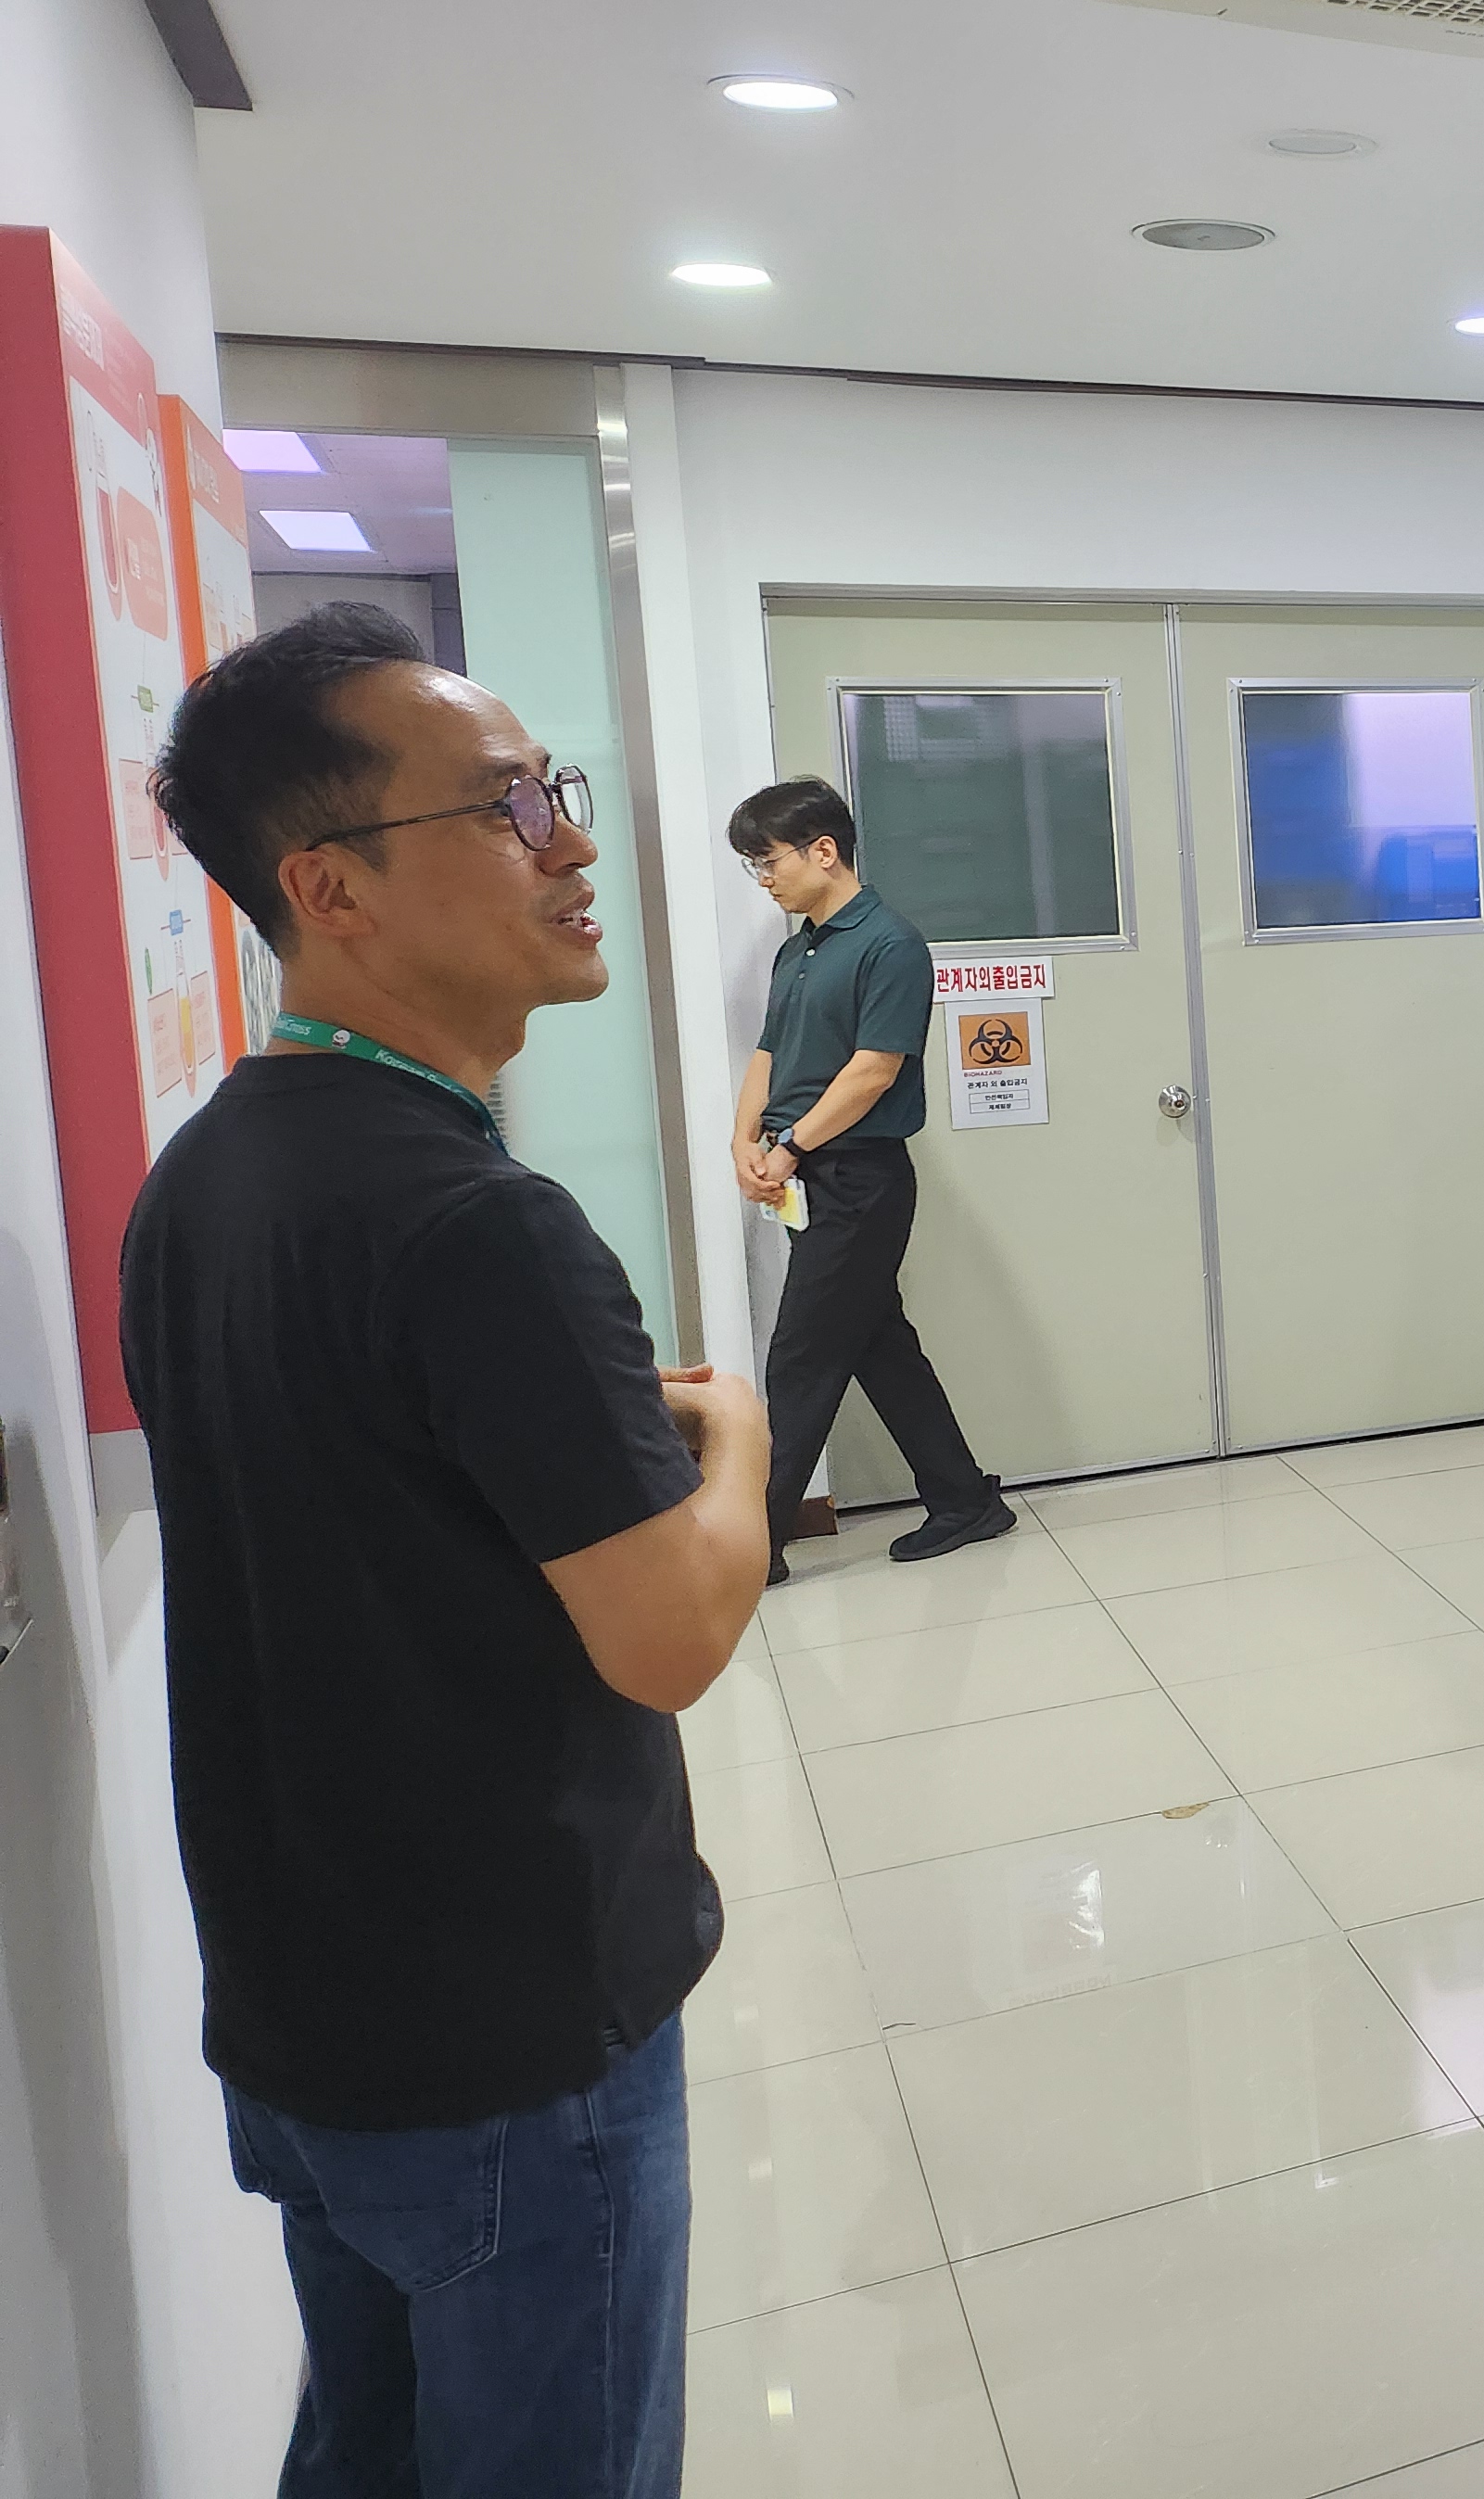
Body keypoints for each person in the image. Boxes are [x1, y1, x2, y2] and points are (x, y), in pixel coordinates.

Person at [124, 605, 771, 2494]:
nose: (569, 843)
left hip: (311, 2016)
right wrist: (735, 1447)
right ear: (330, 888)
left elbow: (375, 1511)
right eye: (506, 809)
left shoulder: (212, 1173)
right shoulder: (476, 1224)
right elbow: (669, 1634)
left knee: (374, 2455)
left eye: (551, 791)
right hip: (506, 2042)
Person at [729, 777, 1007, 1580]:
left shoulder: (891, 945)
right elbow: (770, 1051)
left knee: (800, 1357)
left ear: (824, 850)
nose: (764, 879)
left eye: (770, 860)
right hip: (809, 1173)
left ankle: (756, 1545)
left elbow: (873, 1071)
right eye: (753, 865)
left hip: (859, 1178)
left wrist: (789, 1148)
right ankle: (964, 1499)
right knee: (878, 1345)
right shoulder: (799, 949)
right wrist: (744, 1139)